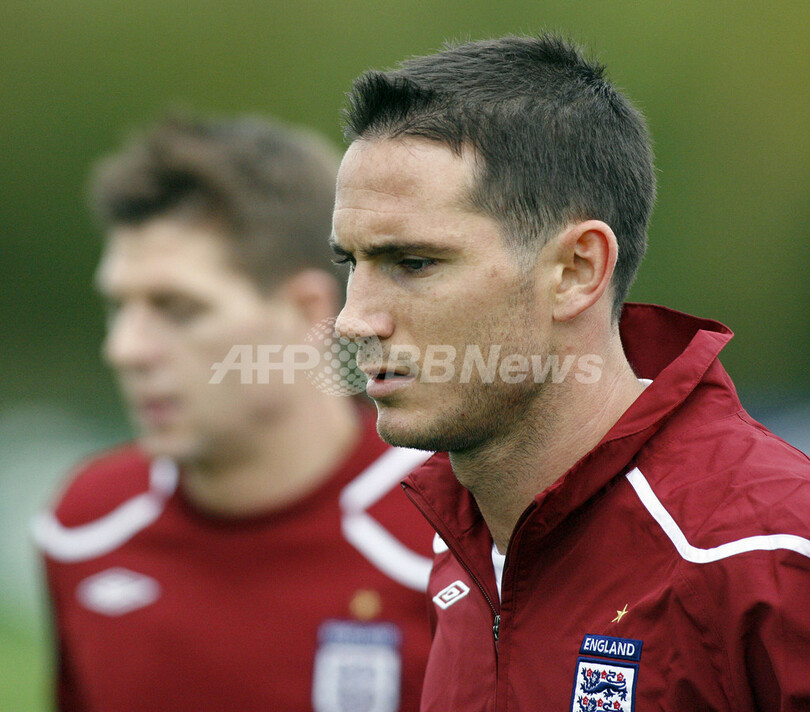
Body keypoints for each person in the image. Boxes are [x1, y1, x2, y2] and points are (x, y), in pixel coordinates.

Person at [330, 34, 810, 711]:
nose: (353, 319)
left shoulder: (772, 552)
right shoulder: (462, 546)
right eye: (351, 263)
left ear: (577, 270)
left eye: (413, 263)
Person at [33, 115, 435, 712]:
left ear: (306, 312)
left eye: (179, 309)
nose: (125, 349)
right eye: (120, 307)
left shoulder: (451, 534)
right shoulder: (86, 526)